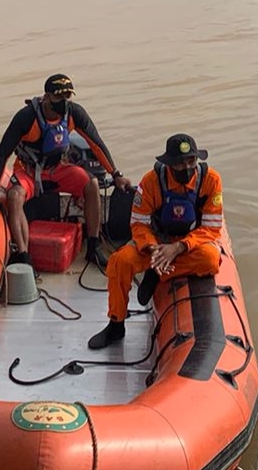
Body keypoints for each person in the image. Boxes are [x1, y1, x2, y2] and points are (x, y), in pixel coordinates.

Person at [88, 134, 225, 350]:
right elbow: (139, 223)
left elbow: (211, 228)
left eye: (191, 161)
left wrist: (179, 247)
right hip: (156, 243)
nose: (187, 167)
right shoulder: (151, 181)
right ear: (169, 164)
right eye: (180, 163)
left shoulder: (211, 180)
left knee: (210, 259)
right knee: (119, 261)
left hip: (188, 244)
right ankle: (116, 324)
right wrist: (153, 249)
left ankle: (156, 273)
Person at [0, 75, 133, 268]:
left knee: (92, 184)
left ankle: (93, 248)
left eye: (68, 96)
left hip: (59, 168)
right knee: (14, 196)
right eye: (59, 97)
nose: (64, 102)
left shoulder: (74, 113)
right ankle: (24, 255)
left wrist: (116, 174)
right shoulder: (26, 117)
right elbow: (2, 154)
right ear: (46, 97)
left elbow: (96, 145)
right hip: (29, 170)